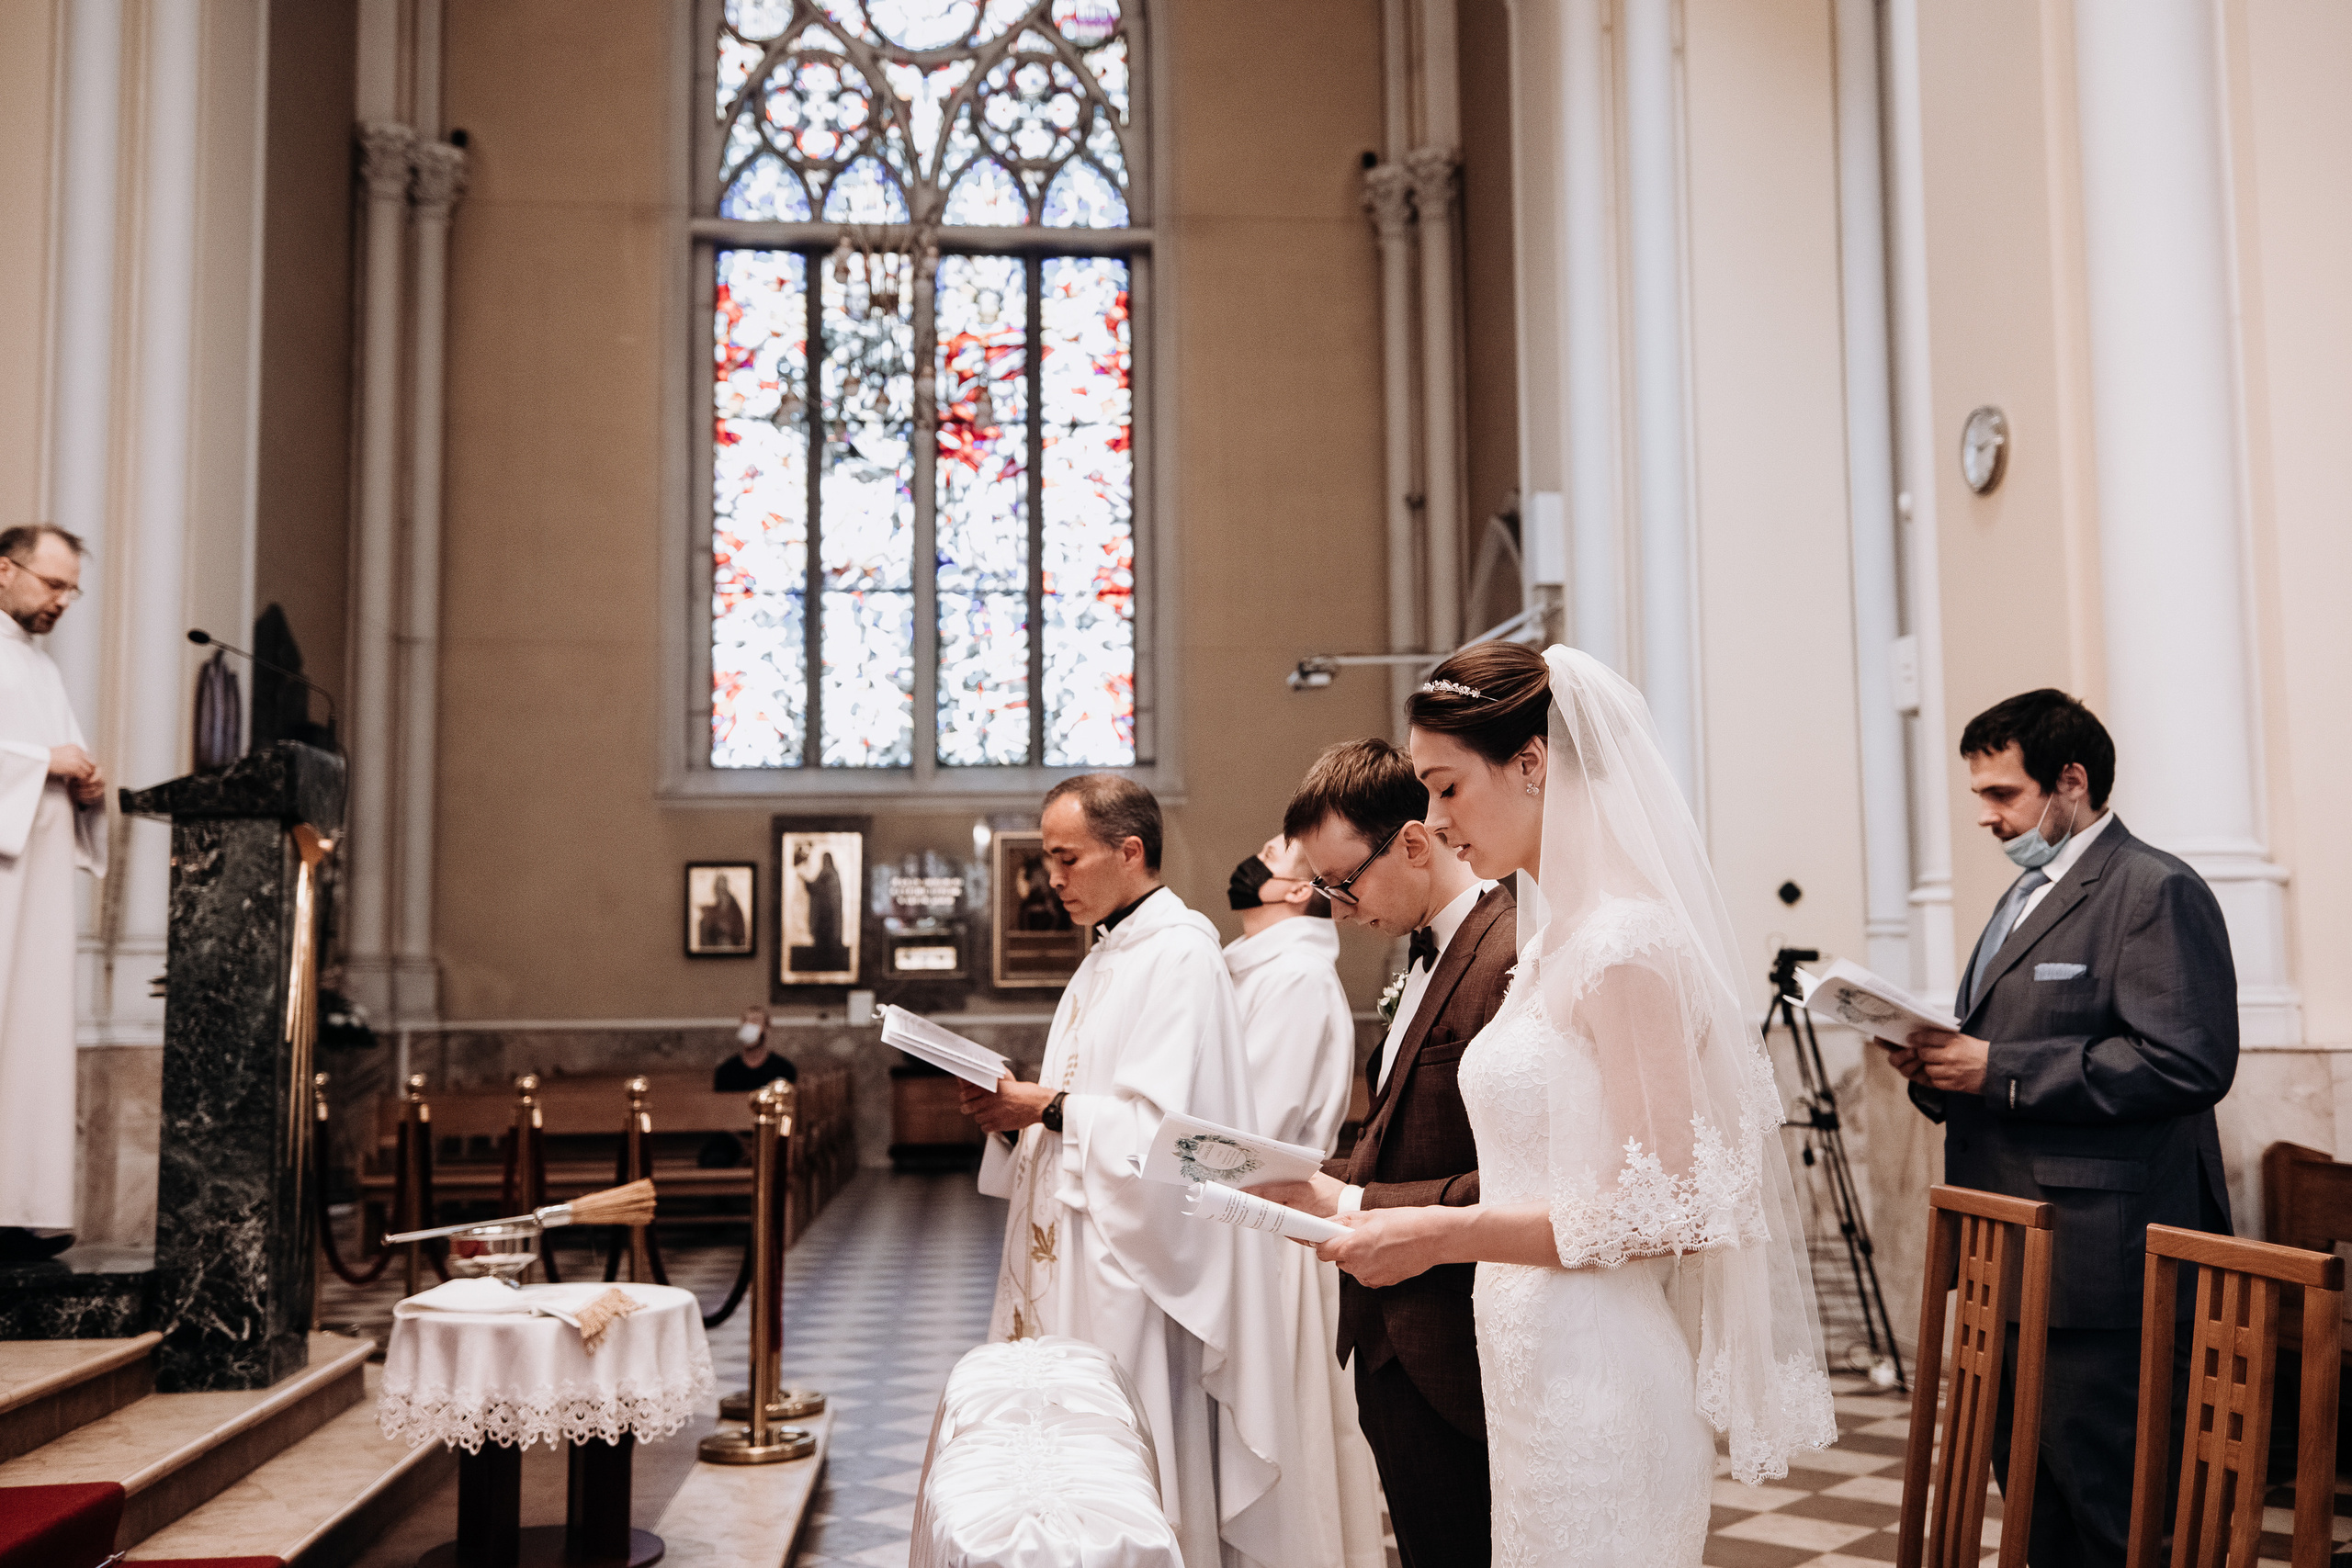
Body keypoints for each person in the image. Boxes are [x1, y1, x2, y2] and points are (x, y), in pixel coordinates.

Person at [1314, 643, 1836, 1565]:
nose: (1434, 820)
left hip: (1600, 1383)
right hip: (1527, 1366)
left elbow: (1667, 1207)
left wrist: (1438, 1234)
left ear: (1530, 763)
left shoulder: (1625, 947)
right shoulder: (1556, 942)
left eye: (1446, 788)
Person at [1889, 689, 2236, 1568]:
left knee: (2116, 1518)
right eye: (1980, 796)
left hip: (2100, 1270)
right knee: (2038, 1517)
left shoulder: (2154, 888)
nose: (1986, 816)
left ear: (2070, 782)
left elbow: (2188, 1061)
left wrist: (1993, 1067)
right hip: (2007, 1255)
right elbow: (2010, 1051)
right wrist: (1939, 1070)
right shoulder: (2020, 899)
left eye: (2002, 794)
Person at [960, 774, 1342, 1568]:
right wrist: (1016, 1117)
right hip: (1077, 1246)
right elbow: (1079, 1102)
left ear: (1129, 851)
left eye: (1067, 858)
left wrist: (1044, 1106)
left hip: (1130, 1266)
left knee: (1123, 1459)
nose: (1053, 878)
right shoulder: (1108, 954)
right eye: (1047, 860)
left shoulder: (1179, 953)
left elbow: (1164, 1135)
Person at [1250, 738, 1510, 1568]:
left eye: (1341, 881)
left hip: (1461, 1341)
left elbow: (1525, 1173)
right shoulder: (1420, 950)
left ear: (1410, 841)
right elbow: (1396, 1134)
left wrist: (1356, 1205)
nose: (1333, 905)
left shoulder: (1506, 955)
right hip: (1394, 1334)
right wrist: (1298, 1175)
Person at [1221, 830, 1385, 1568]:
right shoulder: (1263, 969)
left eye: (1277, 850)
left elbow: (1253, 1126)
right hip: (1245, 1223)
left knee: (1286, 1445)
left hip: (1272, 1230)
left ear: (1292, 892)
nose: (1258, 851)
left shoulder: (1294, 978)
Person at [0, 525, 107, 1263]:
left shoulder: (38, 668)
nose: (63, 600)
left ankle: (22, 1205)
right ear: (4, 570)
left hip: (33, 890)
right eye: (52, 583)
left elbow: (62, 760)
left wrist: (88, 783)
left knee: (31, 1037)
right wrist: (45, 759)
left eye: (71, 588)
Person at [714, 1006, 797, 1091]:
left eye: (755, 1022)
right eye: (745, 1022)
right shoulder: (725, 1072)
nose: (749, 1028)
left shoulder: (783, 1071)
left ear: (767, 1029)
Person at [697, 872, 748, 950]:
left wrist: (727, 929)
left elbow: (739, 932)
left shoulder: (734, 908)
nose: (719, 894)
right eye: (717, 889)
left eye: (722, 890)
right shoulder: (714, 909)